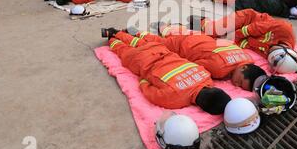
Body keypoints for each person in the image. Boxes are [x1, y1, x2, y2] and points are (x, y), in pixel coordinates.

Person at [104, 31, 231, 114]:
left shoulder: (206, 76)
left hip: (162, 50)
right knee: (123, 50)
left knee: (140, 43)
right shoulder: (174, 100)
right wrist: (143, 78)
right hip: (142, 60)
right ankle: (111, 38)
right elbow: (148, 90)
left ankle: (118, 33)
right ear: (201, 107)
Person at [105, 28, 267, 91]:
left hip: (200, 39)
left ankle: (133, 32)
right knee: (154, 43)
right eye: (239, 81)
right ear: (244, 69)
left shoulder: (247, 57)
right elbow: (190, 66)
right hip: (185, 45)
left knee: (156, 41)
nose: (235, 84)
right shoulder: (219, 70)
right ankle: (121, 33)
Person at [190, 9, 297, 74]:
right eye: (272, 50)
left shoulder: (271, 55)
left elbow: (249, 45)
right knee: (213, 30)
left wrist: (229, 42)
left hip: (243, 36)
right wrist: (232, 37)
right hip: (247, 19)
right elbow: (253, 28)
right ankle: (201, 20)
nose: (269, 49)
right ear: (285, 48)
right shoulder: (285, 29)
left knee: (211, 40)